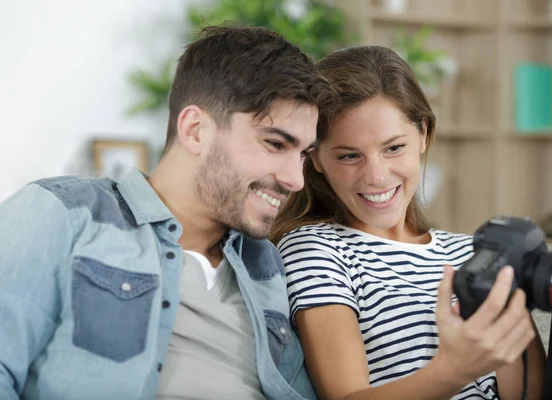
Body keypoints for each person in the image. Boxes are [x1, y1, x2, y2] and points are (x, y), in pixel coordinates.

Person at [0, 25, 334, 400]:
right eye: (275, 144)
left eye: (303, 154)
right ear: (194, 130)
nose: (295, 180)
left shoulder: (266, 265)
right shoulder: (64, 213)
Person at [271, 45, 546, 400]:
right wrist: (453, 370)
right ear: (316, 159)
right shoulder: (317, 248)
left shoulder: (472, 251)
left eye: (393, 148)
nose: (376, 176)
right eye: (349, 156)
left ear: (424, 135)